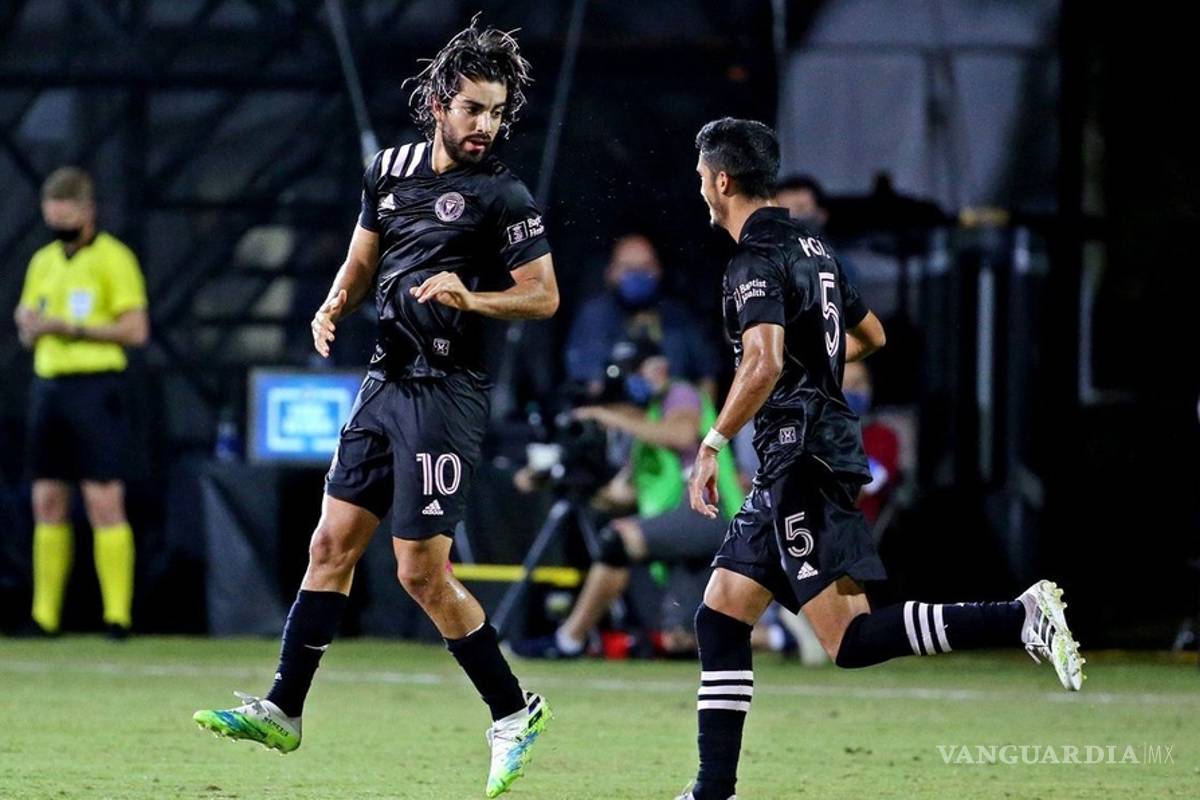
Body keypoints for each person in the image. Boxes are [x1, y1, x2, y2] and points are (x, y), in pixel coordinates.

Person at [193, 20, 558, 798]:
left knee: (420, 571)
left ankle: (513, 709)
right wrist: (333, 303)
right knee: (330, 546)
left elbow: (544, 296)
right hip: (383, 383)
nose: (484, 126)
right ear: (437, 104)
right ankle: (285, 708)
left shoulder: (504, 195)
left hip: (446, 394)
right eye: (470, 109)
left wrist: (474, 295)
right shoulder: (386, 171)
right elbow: (363, 262)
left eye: (495, 112)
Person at [674, 118, 1085, 800]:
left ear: (721, 181)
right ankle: (712, 790)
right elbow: (870, 334)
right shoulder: (815, 246)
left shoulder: (755, 256)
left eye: (699, 178)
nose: (699, 189)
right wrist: (816, 370)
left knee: (851, 641)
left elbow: (763, 361)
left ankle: (1022, 617)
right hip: (803, 454)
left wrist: (713, 444)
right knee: (721, 614)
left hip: (801, 456)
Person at [511, 340, 744, 659]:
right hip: (686, 524)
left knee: (617, 540)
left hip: (713, 513)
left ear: (659, 368)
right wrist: (561, 475)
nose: (633, 380)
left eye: (637, 371)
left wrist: (610, 417)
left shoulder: (680, 393)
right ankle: (783, 637)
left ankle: (570, 640)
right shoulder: (647, 427)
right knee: (682, 641)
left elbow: (680, 435)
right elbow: (626, 495)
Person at [13, 166, 149, 639]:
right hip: (49, 388)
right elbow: (29, 324)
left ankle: (117, 616)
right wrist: (28, 324)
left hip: (97, 388)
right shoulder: (42, 262)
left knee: (103, 499)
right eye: (52, 217)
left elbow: (135, 329)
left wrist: (72, 329)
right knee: (46, 499)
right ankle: (44, 616)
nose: (59, 226)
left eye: (66, 216)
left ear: (87, 212)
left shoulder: (115, 259)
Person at [565, 233, 720, 398]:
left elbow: (708, 374)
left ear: (659, 269)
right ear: (610, 272)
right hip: (616, 414)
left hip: (673, 415)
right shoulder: (595, 315)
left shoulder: (679, 315)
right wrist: (625, 384)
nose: (637, 275)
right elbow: (587, 381)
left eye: (646, 266)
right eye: (628, 268)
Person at [842, 360, 902, 526]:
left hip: (856, 532)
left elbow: (862, 486)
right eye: (844, 384)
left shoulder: (883, 437)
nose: (851, 391)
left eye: (858, 383)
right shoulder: (811, 433)